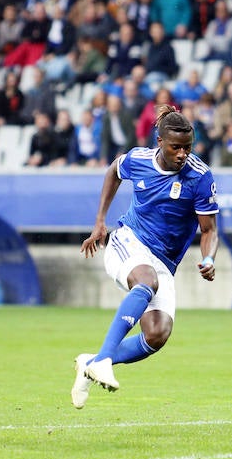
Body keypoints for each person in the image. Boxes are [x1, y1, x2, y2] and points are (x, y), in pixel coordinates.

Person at [72, 105, 219, 409]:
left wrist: (209, 259)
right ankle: (104, 362)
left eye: (188, 147)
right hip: (128, 241)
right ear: (160, 141)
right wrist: (100, 221)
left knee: (157, 333)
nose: (182, 154)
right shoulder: (139, 159)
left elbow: (209, 230)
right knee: (146, 281)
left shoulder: (201, 177)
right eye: (176, 147)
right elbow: (114, 170)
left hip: (164, 261)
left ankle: (93, 361)